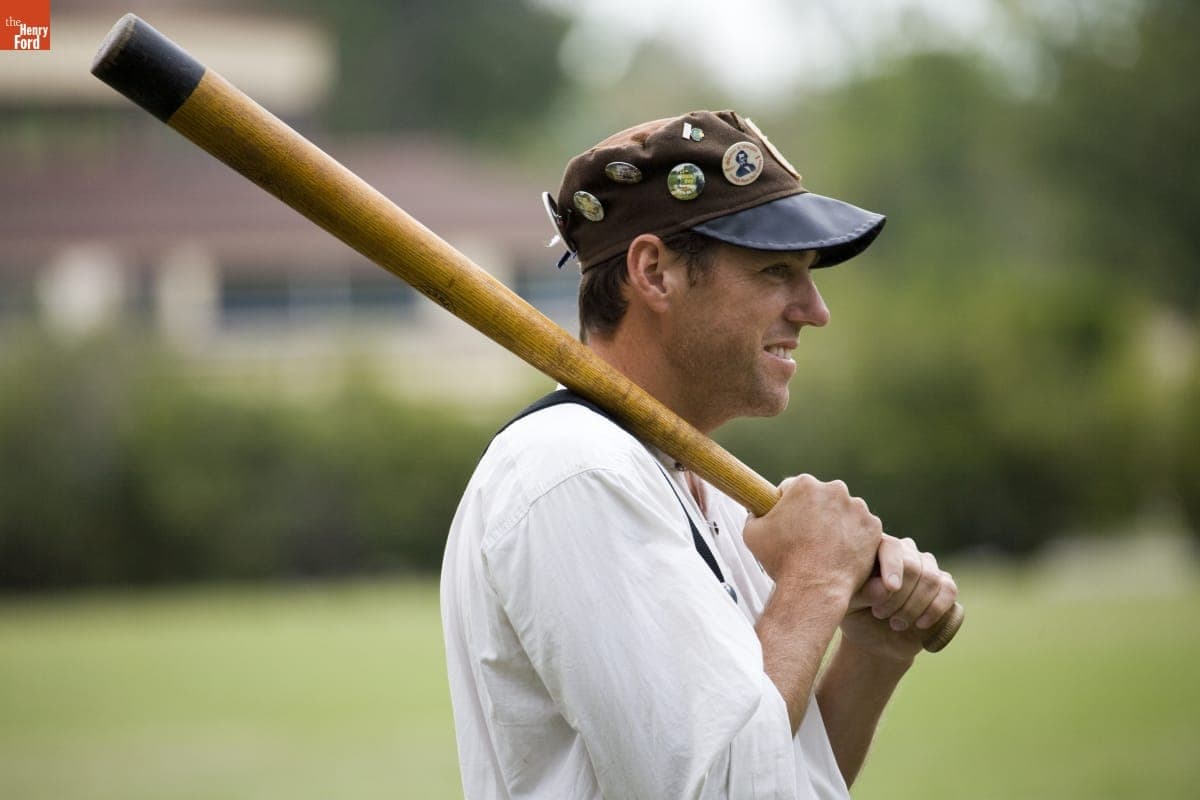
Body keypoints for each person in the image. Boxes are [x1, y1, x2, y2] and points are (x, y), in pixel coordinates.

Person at [440, 110, 958, 799]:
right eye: (776, 271)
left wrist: (874, 648)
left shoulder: (680, 480)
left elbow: (780, 777)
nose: (814, 309)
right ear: (654, 272)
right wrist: (813, 581)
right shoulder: (574, 470)